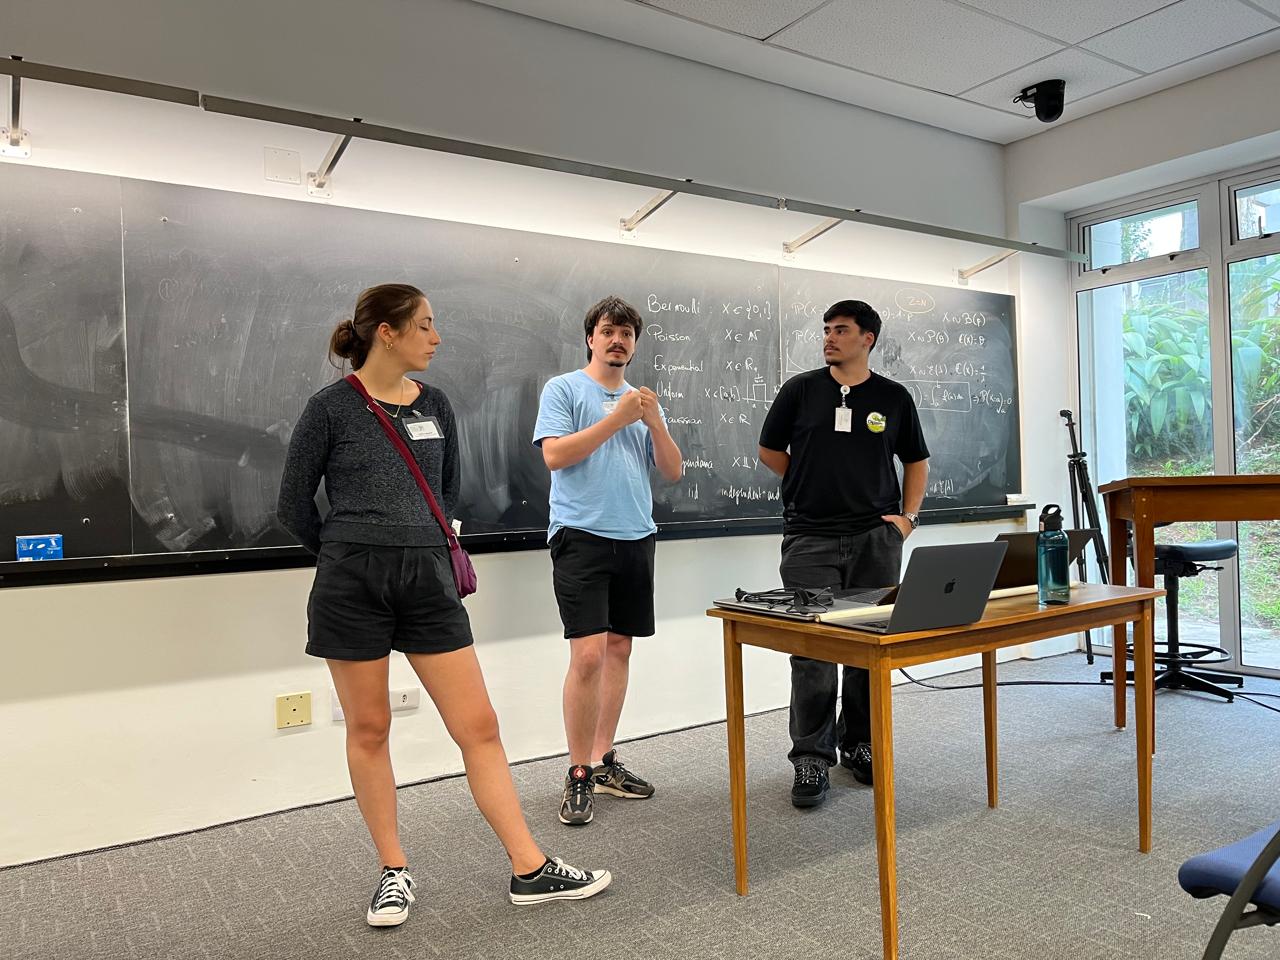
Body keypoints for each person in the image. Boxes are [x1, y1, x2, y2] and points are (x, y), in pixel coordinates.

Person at [277, 283, 610, 928]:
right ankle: (393, 870)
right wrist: (349, 548)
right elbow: (293, 506)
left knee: (478, 725)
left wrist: (408, 542)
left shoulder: (436, 405)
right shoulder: (329, 409)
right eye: (426, 326)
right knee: (370, 730)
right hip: (352, 583)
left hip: (428, 578)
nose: (437, 337)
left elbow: (447, 490)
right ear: (387, 333)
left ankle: (529, 867)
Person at [757, 299, 930, 808]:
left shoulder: (893, 397)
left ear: (867, 339)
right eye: (827, 330)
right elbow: (769, 449)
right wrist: (809, 483)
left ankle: (861, 746)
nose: (830, 338)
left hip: (875, 539)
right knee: (812, 651)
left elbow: (916, 459)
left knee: (868, 650)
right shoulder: (802, 391)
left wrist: (908, 518)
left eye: (841, 330)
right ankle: (811, 759)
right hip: (809, 538)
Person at [533, 295, 683, 826]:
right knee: (588, 656)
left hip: (636, 536)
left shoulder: (641, 403)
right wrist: (618, 419)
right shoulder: (565, 389)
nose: (618, 340)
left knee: (619, 649)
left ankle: (601, 760)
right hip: (581, 536)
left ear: (634, 344)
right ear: (591, 338)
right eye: (608, 331)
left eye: (627, 333)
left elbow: (672, 472)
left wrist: (655, 423)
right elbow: (554, 455)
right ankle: (576, 771)